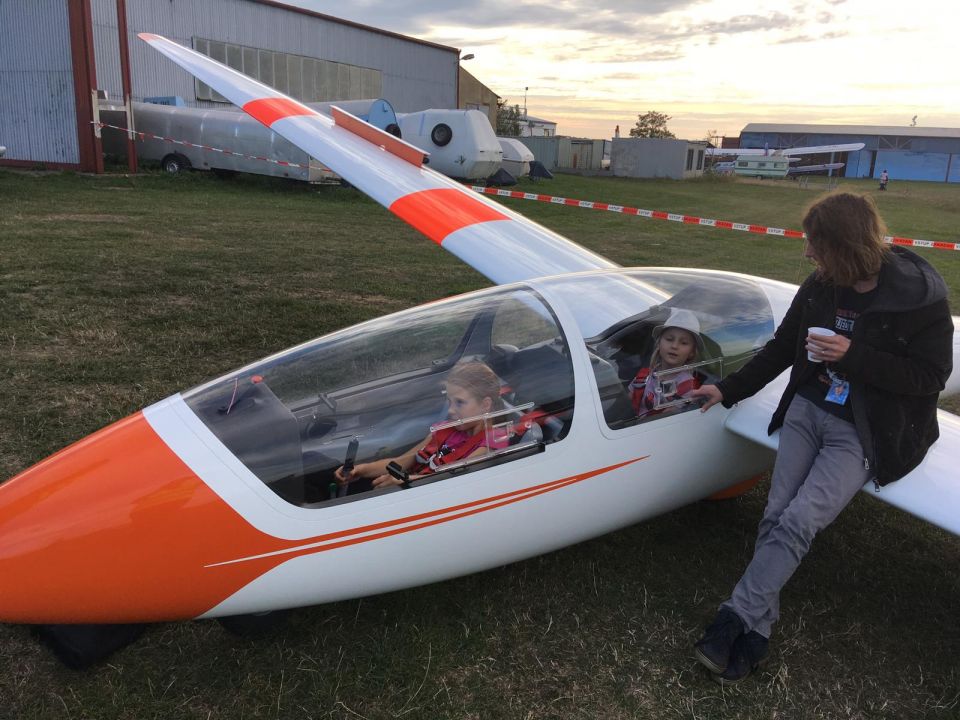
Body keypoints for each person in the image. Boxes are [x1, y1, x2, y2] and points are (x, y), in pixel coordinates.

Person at [688, 192, 952, 684]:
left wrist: (853, 355)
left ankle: (734, 617)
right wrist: (727, 389)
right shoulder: (822, 283)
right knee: (776, 514)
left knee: (798, 521)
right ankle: (757, 631)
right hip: (808, 408)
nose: (808, 252)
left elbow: (931, 377)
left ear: (846, 246)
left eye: (816, 243)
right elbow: (782, 347)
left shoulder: (918, 298)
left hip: (864, 427)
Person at [335, 361, 508, 490]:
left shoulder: (493, 441)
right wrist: (361, 470)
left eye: (459, 402)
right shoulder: (446, 430)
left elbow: (451, 477)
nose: (450, 410)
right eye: (449, 401)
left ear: (485, 405)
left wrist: (405, 481)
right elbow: (403, 461)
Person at [628, 308, 704, 417]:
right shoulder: (644, 376)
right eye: (669, 339)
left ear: (691, 352)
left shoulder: (688, 388)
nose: (674, 346)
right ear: (659, 344)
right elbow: (627, 402)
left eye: (684, 343)